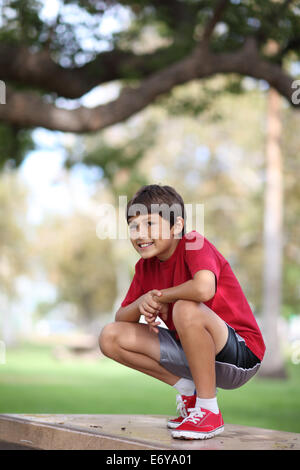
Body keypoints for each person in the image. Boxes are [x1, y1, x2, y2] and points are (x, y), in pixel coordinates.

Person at [99, 184, 265, 440]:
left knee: (185, 307)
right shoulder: (145, 267)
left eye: (150, 224)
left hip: (240, 354)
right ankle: (188, 390)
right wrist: (143, 300)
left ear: (176, 226)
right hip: (192, 352)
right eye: (134, 226)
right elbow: (121, 319)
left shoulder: (193, 243)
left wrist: (163, 296)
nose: (140, 233)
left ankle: (209, 411)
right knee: (110, 336)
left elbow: (203, 289)